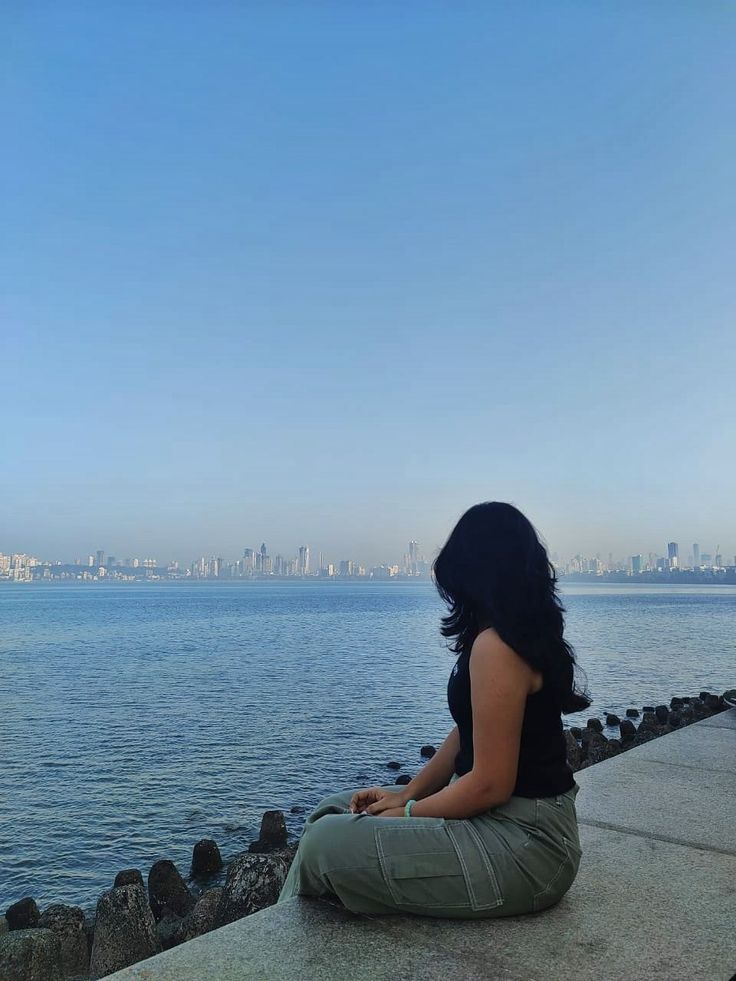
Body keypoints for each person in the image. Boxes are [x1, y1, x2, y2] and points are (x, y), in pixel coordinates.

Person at [278, 501, 592, 918]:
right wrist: (407, 793)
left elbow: (491, 785)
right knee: (331, 811)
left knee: (323, 844)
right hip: (506, 823)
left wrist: (407, 812)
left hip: (526, 845)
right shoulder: (503, 636)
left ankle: (276, 943)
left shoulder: (497, 648)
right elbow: (468, 731)